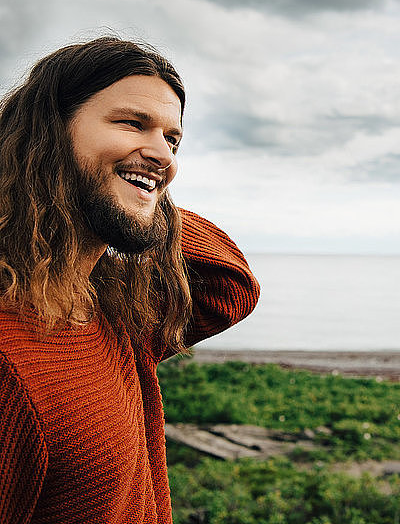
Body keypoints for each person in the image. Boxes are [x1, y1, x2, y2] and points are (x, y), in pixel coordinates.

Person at [0, 37, 260, 523]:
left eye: (172, 138)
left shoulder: (110, 308)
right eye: (133, 123)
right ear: (47, 133)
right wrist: (127, 188)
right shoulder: (9, 357)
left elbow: (230, 287)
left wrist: (135, 192)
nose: (164, 155)